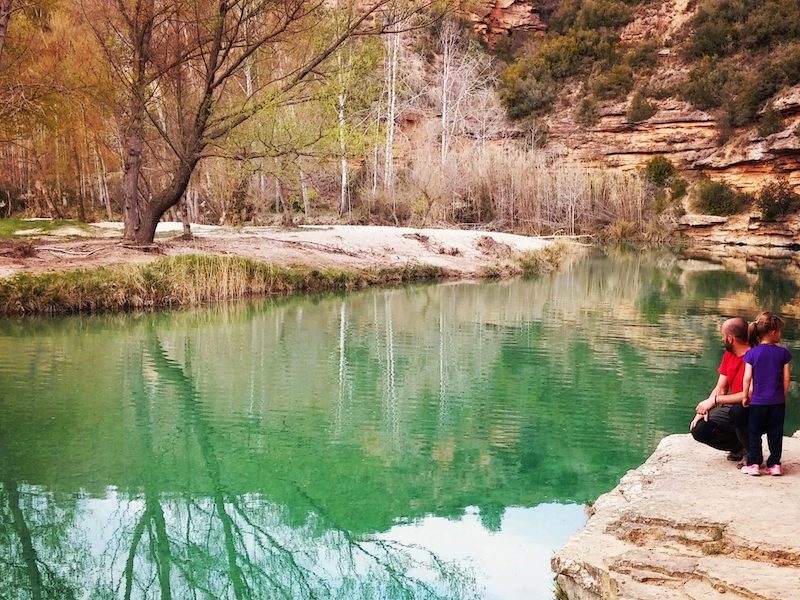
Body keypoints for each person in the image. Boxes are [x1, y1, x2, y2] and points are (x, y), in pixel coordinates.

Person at [690, 317, 750, 460]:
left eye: (722, 336)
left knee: (738, 412)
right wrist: (704, 409)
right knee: (700, 429)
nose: (722, 339)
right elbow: (721, 387)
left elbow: (752, 394)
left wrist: (716, 400)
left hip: (752, 408)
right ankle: (738, 447)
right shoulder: (729, 354)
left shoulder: (756, 356)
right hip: (731, 408)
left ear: (730, 338)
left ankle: (752, 450)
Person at [740, 312, 792, 476]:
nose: (781, 334)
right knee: (775, 433)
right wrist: (783, 397)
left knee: (754, 432)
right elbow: (786, 379)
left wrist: (744, 396)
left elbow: (747, 378)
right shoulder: (783, 353)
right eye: (780, 331)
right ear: (773, 332)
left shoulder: (752, 353)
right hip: (776, 402)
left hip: (758, 403)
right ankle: (774, 465)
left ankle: (754, 463)